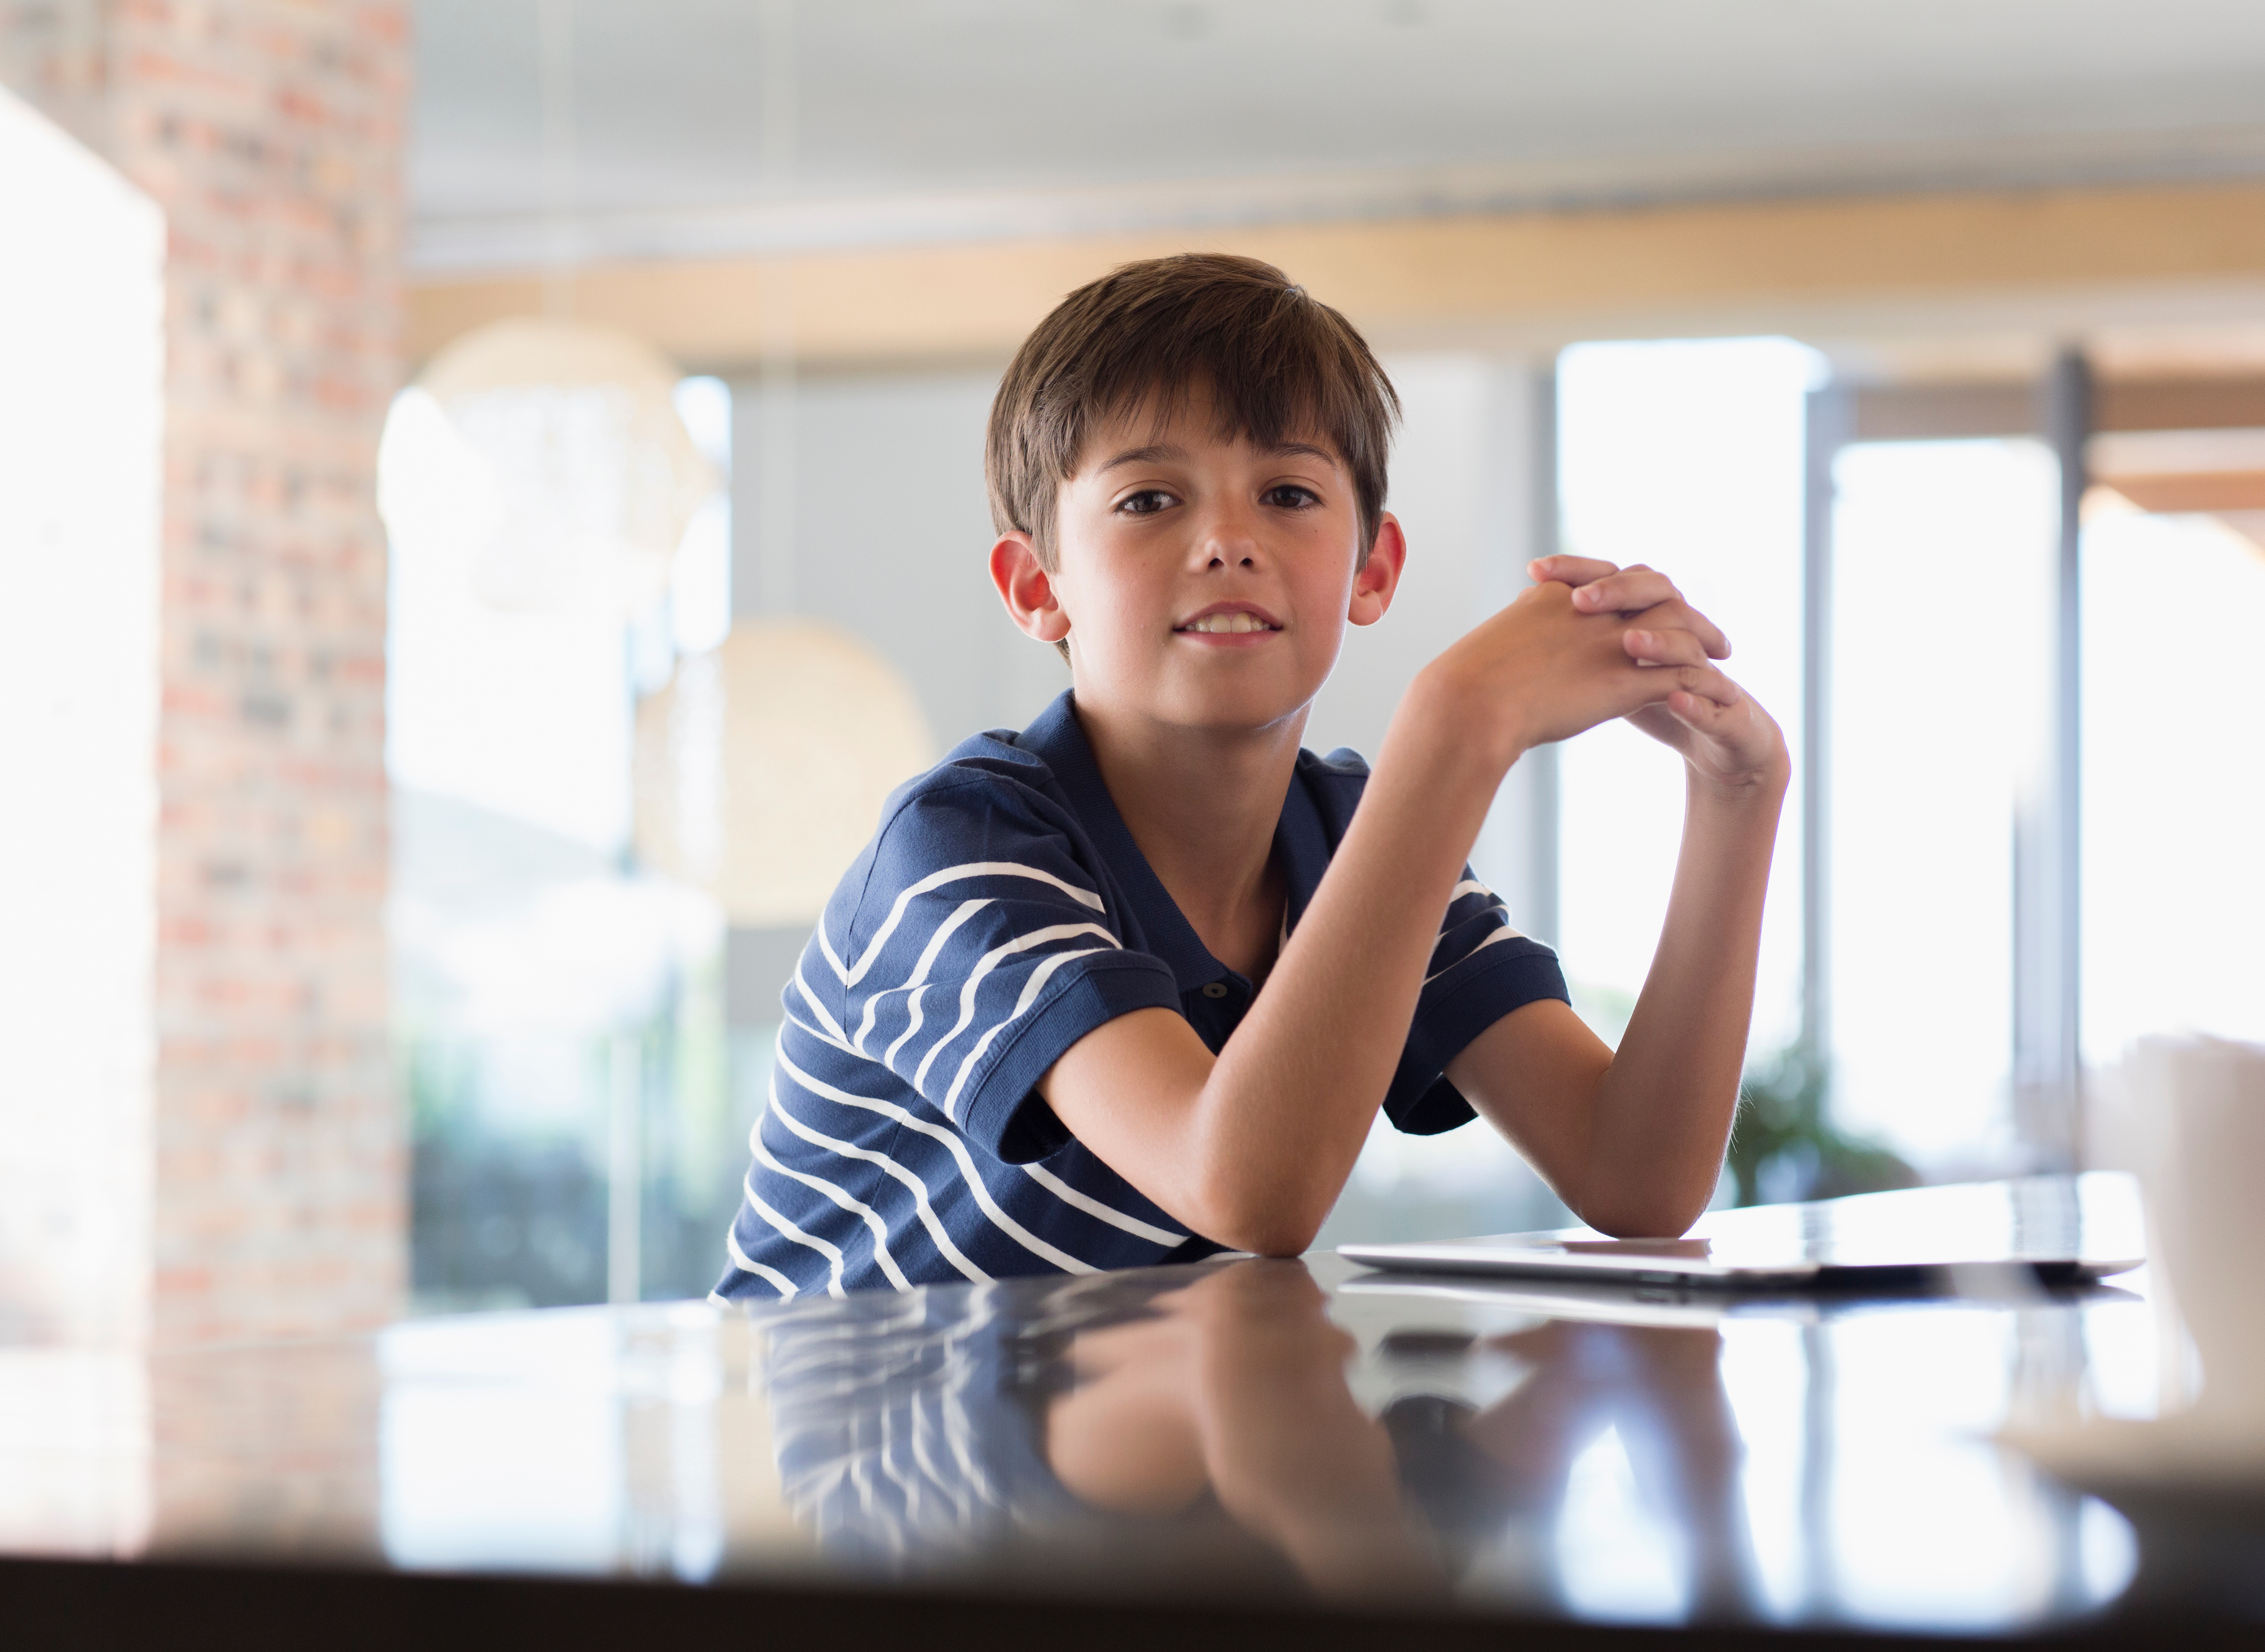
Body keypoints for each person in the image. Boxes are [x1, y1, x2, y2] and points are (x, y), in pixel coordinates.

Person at [713, 252, 1787, 1300]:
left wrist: (1736, 798)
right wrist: (1456, 726)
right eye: (1148, 500)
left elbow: (1633, 1176)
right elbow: (1242, 1187)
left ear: (1371, 569)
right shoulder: (960, 844)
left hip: (1100, 1439)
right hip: (837, 1451)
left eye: (1285, 492)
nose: (1226, 539)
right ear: (1039, 584)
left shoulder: (1351, 832)